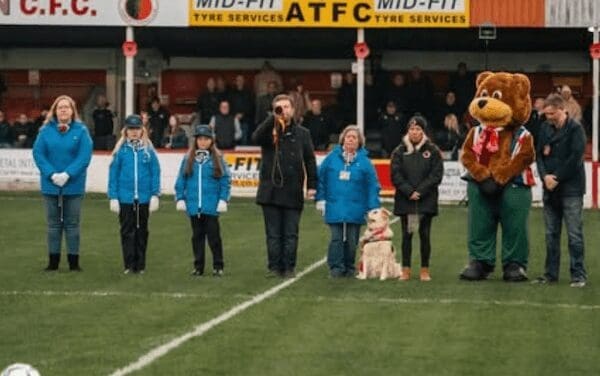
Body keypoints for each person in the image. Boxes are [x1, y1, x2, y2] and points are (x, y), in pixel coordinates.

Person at [252, 94, 317, 278]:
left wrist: (312, 185)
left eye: (286, 107)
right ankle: (274, 267)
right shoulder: (269, 131)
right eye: (279, 107)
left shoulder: (303, 133)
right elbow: (255, 137)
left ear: (293, 109)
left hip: (293, 190)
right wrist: (272, 118)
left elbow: (310, 160)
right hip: (270, 191)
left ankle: (289, 267)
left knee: (290, 233)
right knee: (273, 234)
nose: (284, 111)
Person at [32, 95, 93, 271]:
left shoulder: (81, 131)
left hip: (73, 185)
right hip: (50, 185)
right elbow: (38, 154)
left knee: (72, 224)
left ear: (73, 110)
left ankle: (74, 263)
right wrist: (52, 174)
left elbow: (84, 156)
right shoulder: (45, 131)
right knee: (53, 225)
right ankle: (53, 263)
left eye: (67, 107)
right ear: (55, 111)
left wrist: (68, 174)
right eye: (60, 107)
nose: (63, 110)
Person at [534, 93, 587, 287]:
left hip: (571, 189)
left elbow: (575, 158)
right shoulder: (545, 129)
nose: (548, 117)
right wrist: (544, 176)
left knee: (574, 234)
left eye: (551, 114)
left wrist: (557, 177)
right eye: (546, 114)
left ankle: (578, 274)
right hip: (550, 189)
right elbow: (539, 155)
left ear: (561, 110)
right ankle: (550, 274)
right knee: (550, 234)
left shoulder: (575, 130)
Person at [315, 125, 380, 278]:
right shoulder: (331, 158)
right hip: (334, 205)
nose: (350, 139)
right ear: (342, 139)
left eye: (354, 137)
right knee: (336, 238)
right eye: (348, 136)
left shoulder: (365, 162)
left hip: (356, 207)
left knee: (352, 241)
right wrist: (321, 198)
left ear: (359, 142)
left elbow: (372, 185)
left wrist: (373, 208)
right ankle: (336, 267)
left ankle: (349, 266)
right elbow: (321, 179)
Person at [390, 116, 444, 281]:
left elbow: (436, 175)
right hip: (406, 201)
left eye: (418, 129)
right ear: (408, 131)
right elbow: (395, 174)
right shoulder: (399, 151)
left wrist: (420, 191)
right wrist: (409, 191)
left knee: (425, 235)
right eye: (412, 129)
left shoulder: (433, 150)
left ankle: (424, 269)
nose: (414, 132)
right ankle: (406, 269)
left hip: (425, 200)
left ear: (423, 131)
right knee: (407, 235)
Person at [175, 125, 231, 277]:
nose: (203, 142)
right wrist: (180, 198)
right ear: (196, 141)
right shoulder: (188, 159)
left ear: (211, 140)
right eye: (200, 139)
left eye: (206, 139)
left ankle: (218, 265)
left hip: (211, 206)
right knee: (197, 237)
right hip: (194, 206)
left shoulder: (217, 159)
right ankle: (198, 266)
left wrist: (223, 199)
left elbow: (225, 180)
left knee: (214, 237)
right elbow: (181, 179)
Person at [108, 115, 161, 274]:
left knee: (142, 231)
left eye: (137, 128)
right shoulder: (121, 151)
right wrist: (113, 197)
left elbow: (155, 173)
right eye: (131, 129)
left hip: (144, 199)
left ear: (142, 130)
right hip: (125, 198)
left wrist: (154, 194)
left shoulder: (148, 150)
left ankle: (141, 264)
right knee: (127, 231)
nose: (134, 132)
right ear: (126, 130)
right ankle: (129, 264)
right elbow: (113, 174)